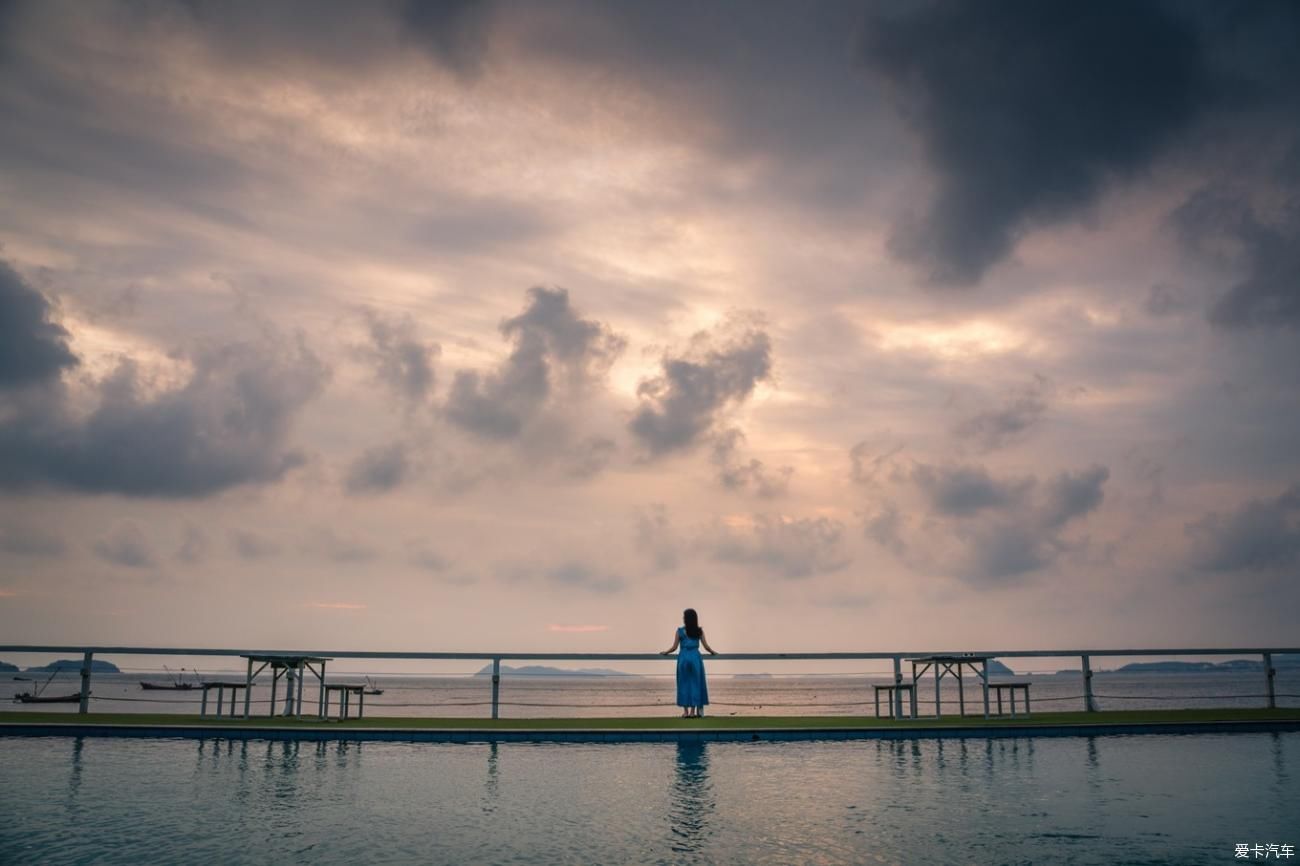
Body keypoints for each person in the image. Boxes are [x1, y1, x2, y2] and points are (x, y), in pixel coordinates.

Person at [660, 608, 717, 718]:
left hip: (683, 658)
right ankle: (692, 712)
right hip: (695, 658)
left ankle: (685, 712)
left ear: (686, 619)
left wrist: (665, 652)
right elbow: (706, 646)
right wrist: (713, 652)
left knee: (683, 684)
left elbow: (674, 647)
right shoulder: (699, 631)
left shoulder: (680, 631)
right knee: (695, 684)